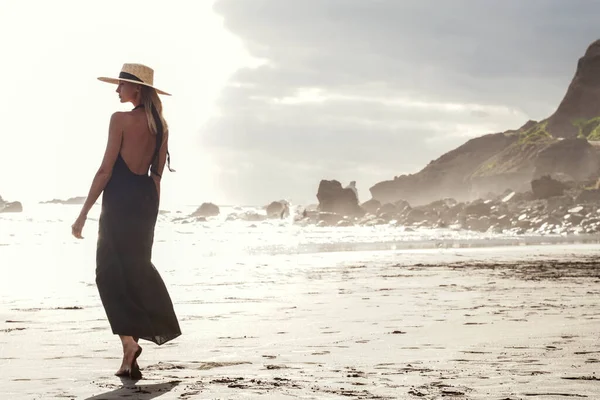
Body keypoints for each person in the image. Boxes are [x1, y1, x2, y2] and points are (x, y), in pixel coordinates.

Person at [71, 63, 181, 380]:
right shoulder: (161, 127)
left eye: (121, 85)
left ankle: (130, 344)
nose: (117, 89)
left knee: (108, 274)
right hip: (145, 203)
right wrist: (152, 217)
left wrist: (83, 214)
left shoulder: (119, 120)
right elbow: (157, 178)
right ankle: (129, 353)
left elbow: (105, 171)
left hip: (118, 201)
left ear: (137, 89)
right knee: (134, 271)